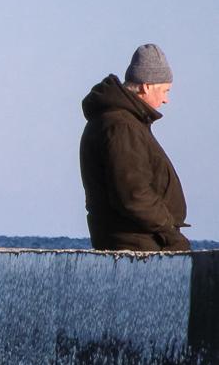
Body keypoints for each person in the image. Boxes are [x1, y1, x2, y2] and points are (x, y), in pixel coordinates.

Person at [79, 44, 190, 251]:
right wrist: (170, 234)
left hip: (137, 241)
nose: (166, 99)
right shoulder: (121, 126)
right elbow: (133, 194)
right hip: (138, 244)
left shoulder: (121, 121)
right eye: (165, 90)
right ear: (147, 86)